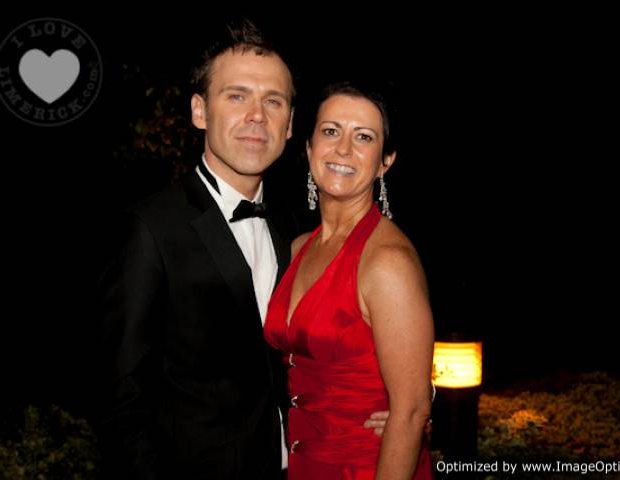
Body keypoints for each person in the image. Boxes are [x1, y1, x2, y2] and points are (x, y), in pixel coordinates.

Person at [97, 21, 391, 480]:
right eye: (236, 96)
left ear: (289, 125)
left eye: (273, 101)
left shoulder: (297, 230)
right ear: (199, 111)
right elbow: (120, 399)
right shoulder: (150, 229)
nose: (257, 116)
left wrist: (401, 404)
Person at [264, 81, 435, 479]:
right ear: (309, 148)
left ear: (385, 161)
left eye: (363, 137)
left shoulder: (388, 262)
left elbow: (411, 410)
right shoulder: (297, 248)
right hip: (301, 465)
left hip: (366, 467)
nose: (343, 149)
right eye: (331, 131)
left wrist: (418, 409)